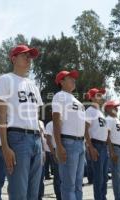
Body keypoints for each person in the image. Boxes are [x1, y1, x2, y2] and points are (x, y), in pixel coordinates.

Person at [0, 44, 43, 200]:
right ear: (13, 59)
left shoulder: (33, 85)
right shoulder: (5, 79)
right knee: (18, 193)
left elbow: (36, 117)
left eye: (30, 56)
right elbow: (1, 116)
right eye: (24, 55)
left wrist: (41, 143)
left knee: (33, 194)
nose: (29, 59)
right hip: (17, 137)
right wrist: (5, 147)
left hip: (36, 139)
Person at [52, 70, 85, 200]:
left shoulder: (77, 101)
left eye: (73, 78)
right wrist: (59, 146)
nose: (73, 79)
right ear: (61, 81)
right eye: (69, 78)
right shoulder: (59, 96)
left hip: (80, 144)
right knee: (68, 185)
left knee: (78, 185)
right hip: (68, 143)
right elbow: (56, 120)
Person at [84, 88, 110, 200]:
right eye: (99, 95)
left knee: (104, 176)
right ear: (93, 97)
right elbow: (85, 129)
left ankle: (103, 197)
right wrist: (91, 147)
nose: (102, 97)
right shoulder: (89, 111)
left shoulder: (100, 112)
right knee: (99, 177)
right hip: (96, 145)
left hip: (103, 146)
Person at [104, 100, 120, 200]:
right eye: (114, 107)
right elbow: (107, 136)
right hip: (115, 148)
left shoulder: (116, 119)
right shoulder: (108, 119)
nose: (116, 109)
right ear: (108, 109)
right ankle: (118, 197)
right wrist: (111, 151)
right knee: (117, 176)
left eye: (117, 107)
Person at [45, 121, 61, 200]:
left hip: (62, 150)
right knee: (57, 175)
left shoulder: (63, 123)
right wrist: (54, 153)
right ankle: (58, 196)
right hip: (55, 150)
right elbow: (48, 140)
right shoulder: (50, 124)